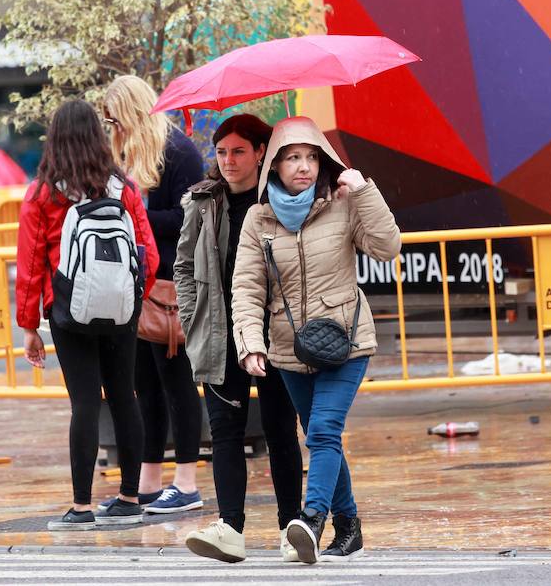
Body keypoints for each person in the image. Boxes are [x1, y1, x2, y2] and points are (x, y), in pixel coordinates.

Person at [231, 116, 401, 564]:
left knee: (324, 430)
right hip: (289, 348)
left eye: (309, 156)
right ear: (274, 167)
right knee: (322, 436)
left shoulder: (344, 203)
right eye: (291, 157)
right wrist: (250, 341)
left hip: (346, 340)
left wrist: (364, 191)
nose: (302, 166)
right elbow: (247, 287)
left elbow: (388, 245)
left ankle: (310, 518)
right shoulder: (258, 219)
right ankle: (350, 527)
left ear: (322, 160)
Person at [15, 99, 159, 530]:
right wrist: (131, 298)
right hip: (121, 312)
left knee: (83, 402)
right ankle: (130, 498)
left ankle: (81, 507)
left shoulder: (44, 193)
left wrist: (30, 326)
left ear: (55, 139)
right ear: (98, 137)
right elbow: (147, 254)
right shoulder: (123, 188)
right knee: (123, 397)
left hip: (68, 312)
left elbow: (30, 263)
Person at [175, 114, 303, 564]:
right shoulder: (203, 201)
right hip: (218, 333)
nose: (228, 161)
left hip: (276, 333)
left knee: (280, 429)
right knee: (225, 433)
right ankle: (230, 527)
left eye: (239, 151)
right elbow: (185, 267)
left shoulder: (283, 201)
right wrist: (192, 320)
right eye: (222, 151)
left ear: (261, 152)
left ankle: (291, 528)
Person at [101, 75, 205, 514]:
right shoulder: (127, 154)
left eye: (115, 120)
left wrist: (136, 212)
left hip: (173, 283)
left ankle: (187, 482)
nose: (112, 129)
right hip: (138, 283)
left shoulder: (178, 151)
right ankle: (149, 482)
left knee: (177, 383)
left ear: (131, 112)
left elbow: (189, 218)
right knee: (144, 384)